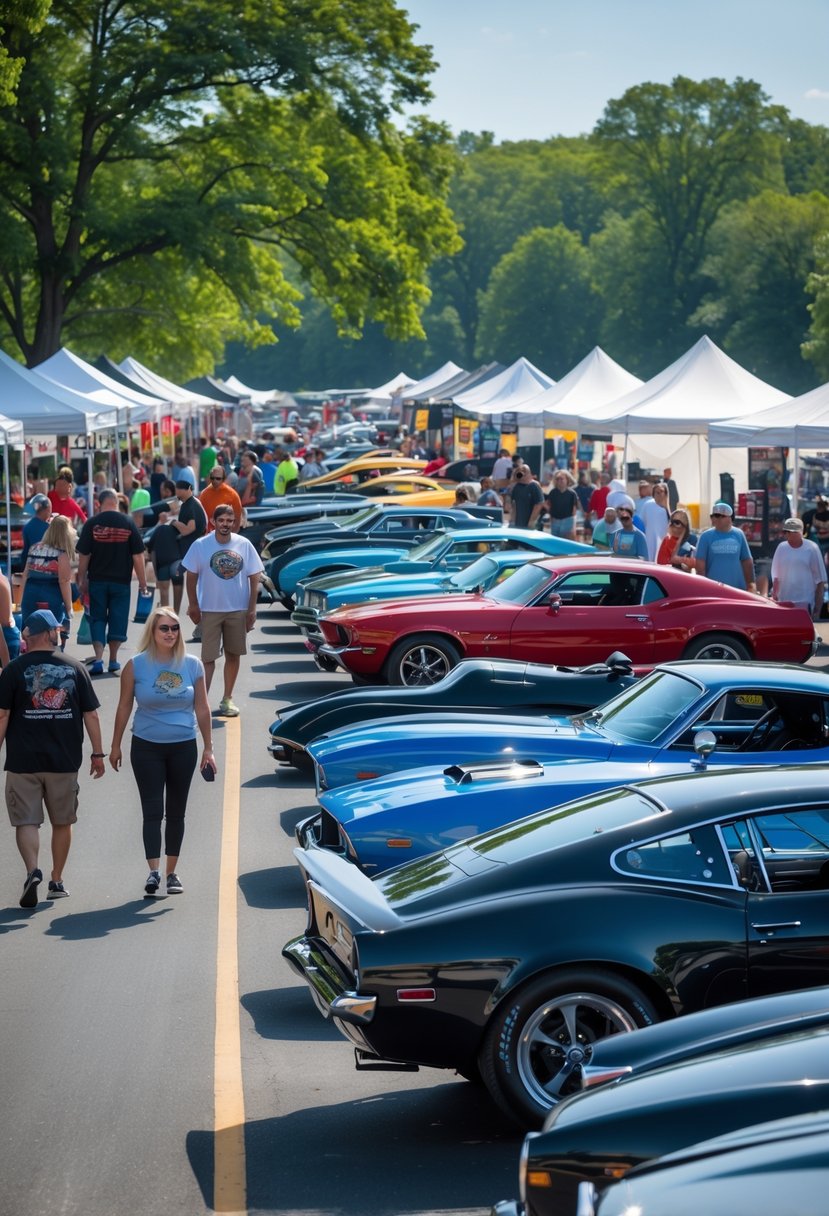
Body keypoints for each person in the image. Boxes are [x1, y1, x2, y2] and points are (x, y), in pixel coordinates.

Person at [108, 606, 216, 897]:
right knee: (152, 810)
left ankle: (172, 873)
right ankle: (153, 872)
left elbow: (203, 708)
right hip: (146, 746)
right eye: (164, 628)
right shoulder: (136, 665)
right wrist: (115, 744)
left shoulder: (192, 665)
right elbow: (123, 706)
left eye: (174, 628)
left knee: (177, 812)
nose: (170, 633)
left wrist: (209, 747)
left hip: (183, 746)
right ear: (152, 633)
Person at [0, 609, 105, 906]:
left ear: (27, 637)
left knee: (26, 821)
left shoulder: (13, 671)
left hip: (23, 762)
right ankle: (56, 880)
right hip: (64, 760)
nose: (59, 633)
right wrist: (97, 753)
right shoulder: (74, 668)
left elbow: (3, 716)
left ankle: (33, 870)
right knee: (62, 821)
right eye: (56, 630)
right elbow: (92, 714)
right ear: (47, 634)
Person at [182, 504, 263, 717]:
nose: (225, 524)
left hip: (237, 609)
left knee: (233, 655)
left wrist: (252, 609)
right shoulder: (201, 545)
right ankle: (203, 701)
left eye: (230, 520)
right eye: (222, 520)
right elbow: (190, 576)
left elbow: (254, 577)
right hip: (209, 609)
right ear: (213, 521)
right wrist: (193, 604)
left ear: (234, 522)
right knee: (208, 658)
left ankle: (227, 698)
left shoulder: (244, 544)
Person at [75, 488, 149, 675]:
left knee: (97, 618)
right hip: (121, 583)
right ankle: (113, 659)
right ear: (116, 502)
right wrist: (142, 582)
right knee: (118, 619)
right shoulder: (128, 523)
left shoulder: (92, 524)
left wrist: (81, 578)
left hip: (97, 581)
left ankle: (99, 658)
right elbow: (138, 556)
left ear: (99, 504)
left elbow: (84, 555)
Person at [18, 514, 76, 634]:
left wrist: (20, 601)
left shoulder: (34, 548)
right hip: (51, 595)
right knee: (52, 631)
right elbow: (64, 581)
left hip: (30, 594)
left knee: (30, 631)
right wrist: (69, 607)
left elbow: (25, 575)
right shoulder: (61, 553)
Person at [167, 480, 208, 615]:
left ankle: (197, 616)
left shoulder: (192, 505)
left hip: (193, 551)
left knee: (195, 586)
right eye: (176, 489)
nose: (177, 492)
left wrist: (173, 522)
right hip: (190, 550)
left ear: (188, 489)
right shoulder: (186, 504)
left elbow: (189, 529)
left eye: (180, 489)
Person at [695, 502, 756, 592]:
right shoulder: (705, 536)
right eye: (715, 516)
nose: (717, 519)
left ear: (730, 518)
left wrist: (751, 584)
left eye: (721, 516)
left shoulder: (739, 534)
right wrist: (703, 589)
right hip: (713, 590)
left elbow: (747, 561)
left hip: (738, 589)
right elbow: (700, 565)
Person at [771, 518, 826, 619]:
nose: (787, 534)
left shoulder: (812, 548)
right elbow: (776, 578)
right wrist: (774, 598)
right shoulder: (781, 548)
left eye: (791, 531)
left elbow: (820, 581)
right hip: (784, 604)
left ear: (801, 532)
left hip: (805, 605)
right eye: (786, 531)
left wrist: (817, 610)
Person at [199, 465, 243, 531]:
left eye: (218, 478)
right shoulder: (204, 494)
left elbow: (237, 519)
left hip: (226, 534)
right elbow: (200, 518)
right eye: (212, 478)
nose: (215, 481)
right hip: (209, 534)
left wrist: (232, 536)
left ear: (223, 479)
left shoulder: (232, 494)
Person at [640, 482, 671, 561]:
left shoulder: (666, 509)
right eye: (657, 492)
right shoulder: (648, 505)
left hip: (663, 541)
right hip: (649, 539)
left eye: (661, 492)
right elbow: (642, 521)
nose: (659, 494)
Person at [545, 470, 579, 539]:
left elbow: (574, 510)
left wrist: (573, 526)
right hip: (555, 521)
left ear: (567, 480)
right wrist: (551, 516)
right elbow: (548, 505)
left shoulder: (572, 493)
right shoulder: (552, 492)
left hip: (567, 521)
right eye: (557, 479)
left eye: (562, 479)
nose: (559, 481)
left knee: (566, 543)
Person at [21, 493, 52, 566]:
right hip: (48, 569)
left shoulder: (27, 527)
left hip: (31, 567)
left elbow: (25, 552)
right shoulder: (50, 528)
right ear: (47, 510)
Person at [510, 465, 544, 529]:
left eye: (524, 471)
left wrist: (531, 521)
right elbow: (514, 504)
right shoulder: (516, 487)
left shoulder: (534, 486)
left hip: (530, 523)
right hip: (518, 523)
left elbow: (539, 504)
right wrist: (512, 520)